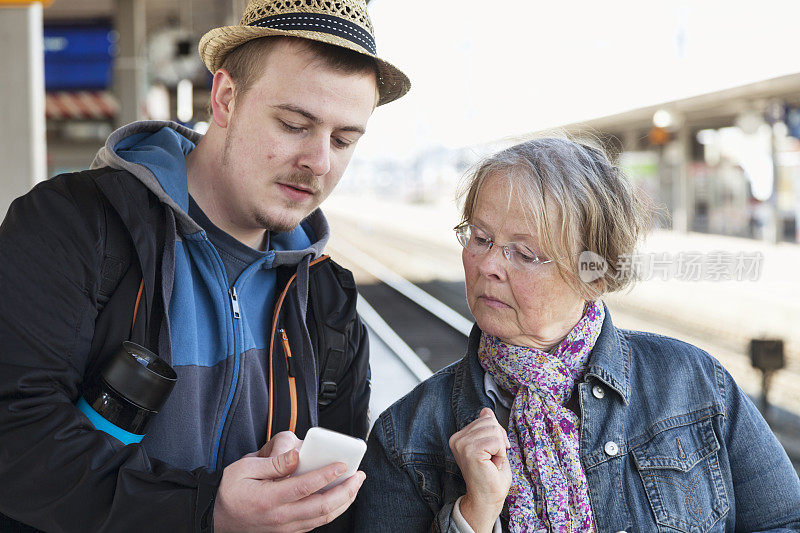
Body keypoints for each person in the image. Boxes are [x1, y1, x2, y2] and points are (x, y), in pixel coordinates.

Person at [0, 0, 409, 531]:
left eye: (343, 139)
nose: (319, 161)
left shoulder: (328, 295)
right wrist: (206, 509)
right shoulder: (71, 225)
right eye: (293, 124)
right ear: (225, 97)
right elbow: (16, 434)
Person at [354, 138, 800, 532]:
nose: (488, 264)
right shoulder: (406, 437)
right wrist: (472, 515)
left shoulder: (696, 384)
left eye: (525, 253)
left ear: (595, 275)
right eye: (480, 237)